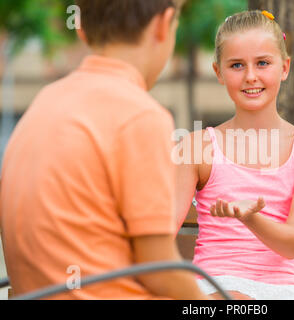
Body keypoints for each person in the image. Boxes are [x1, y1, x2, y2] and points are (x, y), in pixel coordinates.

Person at [0, 0, 209, 300]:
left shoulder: (42, 104)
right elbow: (159, 271)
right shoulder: (140, 116)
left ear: (82, 29)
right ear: (163, 24)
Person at [175, 10, 294, 300]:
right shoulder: (195, 147)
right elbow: (159, 234)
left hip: (287, 290)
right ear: (219, 72)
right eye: (237, 65)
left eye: (263, 63)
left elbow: (293, 244)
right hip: (214, 288)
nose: (251, 76)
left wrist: (251, 218)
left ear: (285, 67)